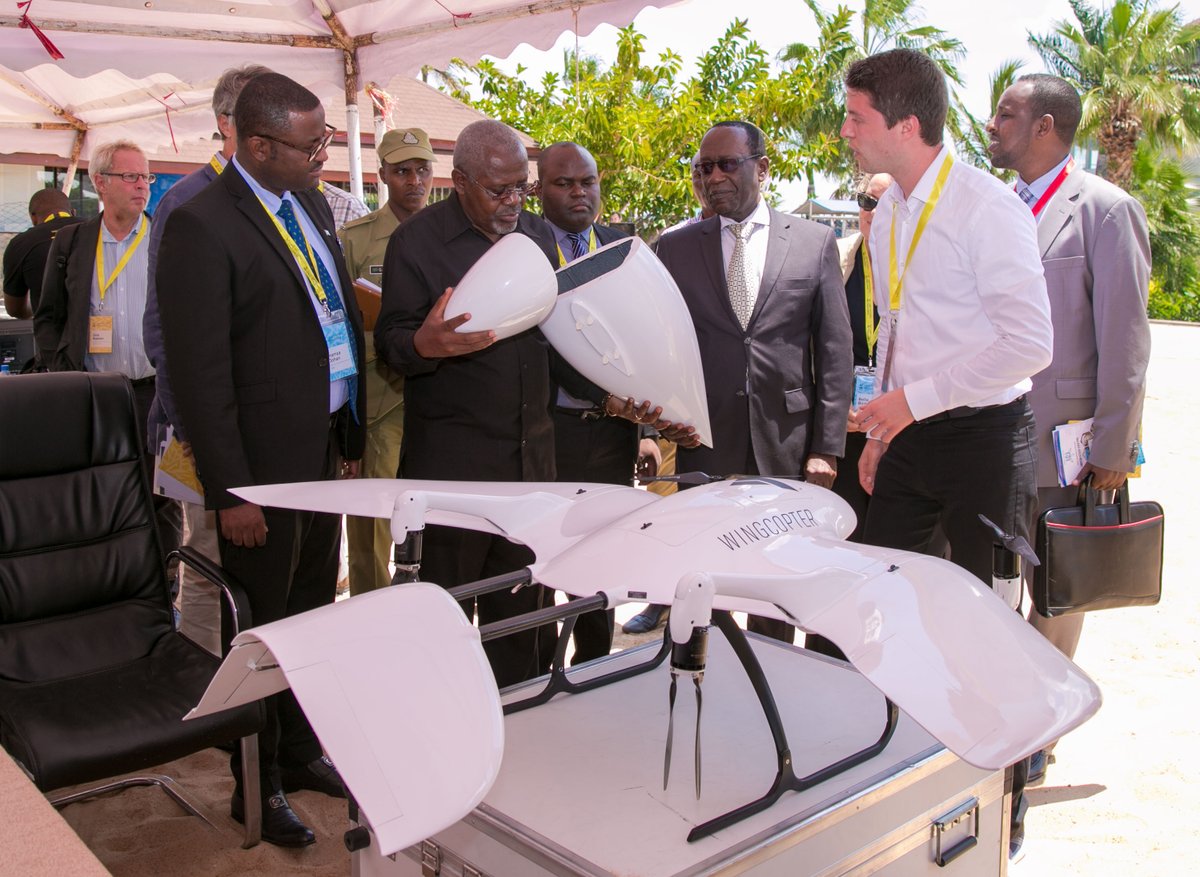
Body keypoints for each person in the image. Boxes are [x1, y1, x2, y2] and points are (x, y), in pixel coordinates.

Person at [840, 49, 1053, 858]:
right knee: (884, 612)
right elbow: (898, 326)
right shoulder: (891, 209)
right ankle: (903, 781)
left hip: (984, 443)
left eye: (856, 117)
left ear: (905, 125)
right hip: (911, 436)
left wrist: (911, 404)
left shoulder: (987, 209)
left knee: (990, 633)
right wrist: (888, 429)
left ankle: (1005, 805)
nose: (845, 131)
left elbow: (1029, 346)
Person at [156, 72, 366, 847]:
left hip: (319, 451)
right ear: (255, 144)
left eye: (325, 139)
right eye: (311, 145)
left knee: (310, 614)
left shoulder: (309, 204)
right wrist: (232, 491)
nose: (323, 155)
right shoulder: (200, 224)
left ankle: (301, 750)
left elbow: (331, 320)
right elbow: (200, 376)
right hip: (259, 473)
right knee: (263, 631)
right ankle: (258, 780)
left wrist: (346, 439)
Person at [987, 73, 1151, 784]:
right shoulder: (994, 207)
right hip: (987, 433)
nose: (992, 125)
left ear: (1045, 126)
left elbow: (1127, 339)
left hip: (1067, 446)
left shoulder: (1105, 211)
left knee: (1056, 586)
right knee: (992, 587)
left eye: (1006, 114)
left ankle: (1039, 734)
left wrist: (1114, 447)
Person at [654, 120, 853, 644]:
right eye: (704, 167)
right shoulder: (675, 248)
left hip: (786, 444)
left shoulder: (813, 241)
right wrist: (655, 429)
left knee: (778, 583)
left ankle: (773, 672)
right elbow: (661, 347)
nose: (714, 177)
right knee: (702, 579)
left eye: (727, 164)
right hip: (705, 442)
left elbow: (834, 351)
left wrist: (826, 448)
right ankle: (702, 674)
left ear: (762, 168)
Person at [143, 63, 271, 656]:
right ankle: (197, 687)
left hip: (263, 430)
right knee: (206, 565)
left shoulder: (284, 197)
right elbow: (164, 331)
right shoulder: (188, 201)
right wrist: (194, 433)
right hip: (206, 433)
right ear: (227, 124)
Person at [33, 139, 182, 567]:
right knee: (101, 488)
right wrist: (61, 372)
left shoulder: (165, 238)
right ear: (100, 182)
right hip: (96, 392)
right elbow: (48, 316)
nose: (142, 186)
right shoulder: (72, 242)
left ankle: (165, 577)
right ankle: (106, 574)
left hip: (156, 392)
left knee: (162, 495)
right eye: (130, 176)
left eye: (146, 176)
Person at [536, 140, 642, 662]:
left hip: (614, 434)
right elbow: (544, 347)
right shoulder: (524, 251)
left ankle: (594, 664)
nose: (579, 193)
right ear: (539, 189)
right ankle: (537, 668)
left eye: (588, 182)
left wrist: (645, 430)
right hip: (550, 430)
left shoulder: (624, 247)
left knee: (602, 558)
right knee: (543, 558)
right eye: (564, 183)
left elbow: (640, 339)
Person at [338, 127, 436, 595]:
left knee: (437, 518)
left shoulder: (450, 236)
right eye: (402, 172)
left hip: (437, 396)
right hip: (380, 398)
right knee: (371, 525)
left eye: (422, 170)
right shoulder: (355, 241)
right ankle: (371, 612)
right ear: (382, 175)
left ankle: (429, 608)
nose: (414, 181)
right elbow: (339, 326)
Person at [3, 189, 82, 321]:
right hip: (100, 327)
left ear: (33, 217)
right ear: (73, 212)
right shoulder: (98, 230)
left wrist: (40, 307)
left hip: (52, 328)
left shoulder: (21, 243)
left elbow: (15, 309)